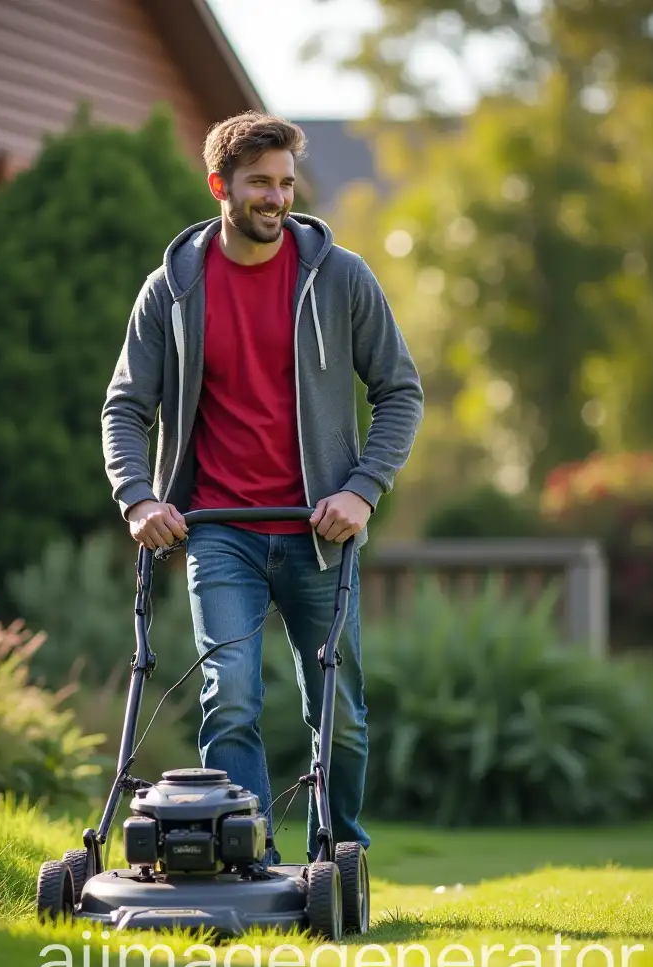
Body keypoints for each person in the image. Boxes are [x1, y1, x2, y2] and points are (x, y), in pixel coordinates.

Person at [101, 111, 423, 866]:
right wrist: (140, 499)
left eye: (284, 183)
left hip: (318, 529)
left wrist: (363, 489)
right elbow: (124, 405)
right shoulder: (174, 287)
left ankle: (339, 857)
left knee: (337, 713)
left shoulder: (341, 278)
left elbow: (400, 391)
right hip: (220, 531)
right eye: (259, 184)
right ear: (221, 187)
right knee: (233, 696)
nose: (276, 199)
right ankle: (250, 862)